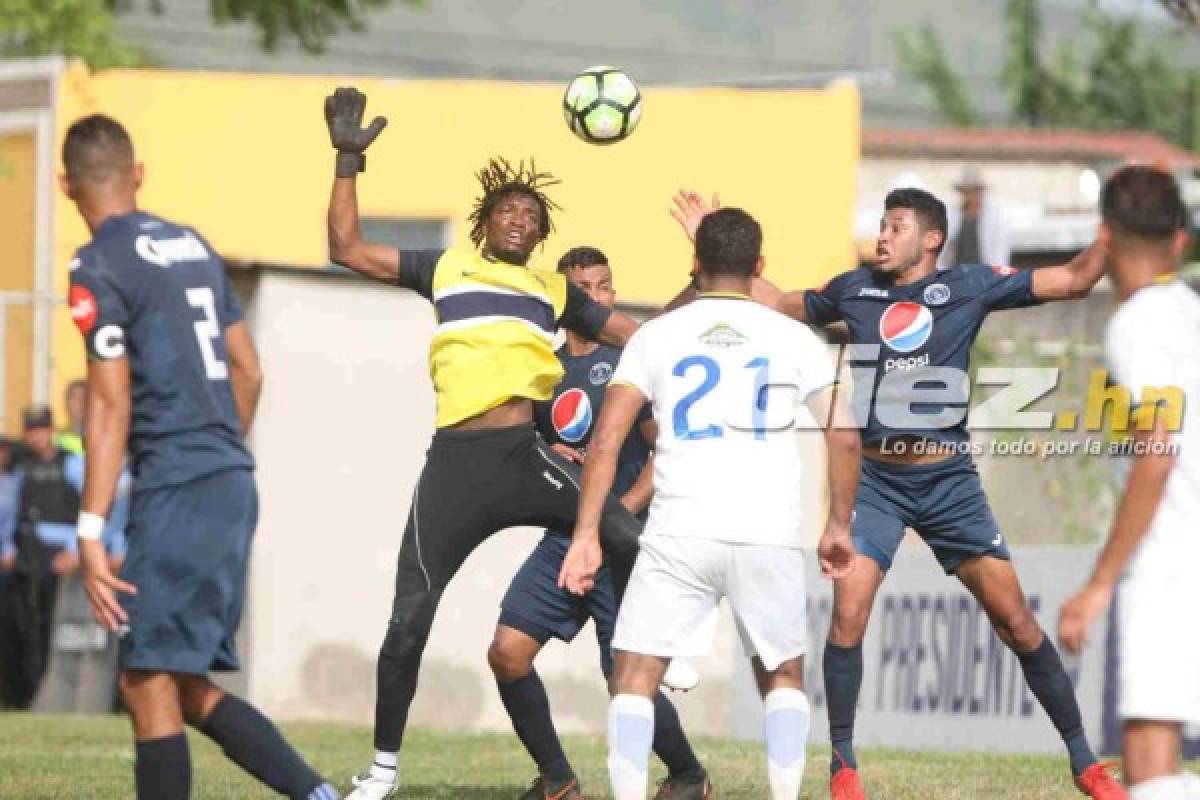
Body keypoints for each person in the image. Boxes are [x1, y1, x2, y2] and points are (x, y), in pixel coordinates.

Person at [667, 189, 1124, 800]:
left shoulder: (969, 284)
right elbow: (773, 301)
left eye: (895, 226)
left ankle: (1084, 762)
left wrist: (1112, 231)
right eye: (881, 224)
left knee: (1016, 624)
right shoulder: (854, 288)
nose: (881, 235)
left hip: (949, 485)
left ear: (930, 239)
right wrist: (709, 244)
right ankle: (844, 765)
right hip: (876, 485)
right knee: (847, 618)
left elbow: (1073, 280)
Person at [322, 87, 644, 800]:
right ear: (486, 222)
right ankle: (381, 771)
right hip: (455, 469)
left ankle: (669, 647)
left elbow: (641, 335)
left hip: (524, 459)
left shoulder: (551, 293)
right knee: (409, 620)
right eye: (510, 211)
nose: (521, 220)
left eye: (533, 217)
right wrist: (348, 160)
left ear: (540, 237)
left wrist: (714, 297)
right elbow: (344, 248)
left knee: (625, 533)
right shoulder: (444, 268)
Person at [61, 113, 339, 800]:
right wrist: (216, 456)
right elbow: (250, 372)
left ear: (67, 185)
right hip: (227, 480)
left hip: (179, 486)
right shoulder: (191, 245)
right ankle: (320, 795)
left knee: (146, 678)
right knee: (181, 686)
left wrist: (92, 528)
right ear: (139, 174)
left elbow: (108, 405)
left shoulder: (95, 264)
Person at [560, 208, 860, 800]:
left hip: (679, 530)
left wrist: (586, 533)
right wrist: (837, 526)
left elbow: (605, 441)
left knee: (636, 675)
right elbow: (844, 435)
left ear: (694, 265)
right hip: (767, 531)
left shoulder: (655, 336)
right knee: (782, 675)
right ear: (760, 268)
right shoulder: (795, 338)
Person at [489, 246, 709, 800]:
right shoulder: (545, 371)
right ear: (563, 300)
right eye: (583, 288)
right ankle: (558, 779)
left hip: (625, 545)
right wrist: (545, 451)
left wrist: (621, 514)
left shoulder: (633, 364)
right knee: (508, 653)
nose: (597, 296)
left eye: (605, 286)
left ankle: (688, 777)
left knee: (625, 683)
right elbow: (527, 448)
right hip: (564, 540)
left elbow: (669, 451)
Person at [1059, 166, 1200, 800]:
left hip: (1170, 558)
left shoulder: (1135, 325)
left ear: (1105, 236)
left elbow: (1156, 453)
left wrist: (1100, 582)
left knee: (1149, 765)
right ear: (1180, 240)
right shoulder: (1190, 314)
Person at [0, 407, 80, 708]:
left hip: (60, 557)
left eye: (42, 430)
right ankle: (27, 693)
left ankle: (47, 692)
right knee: (26, 627)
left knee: (52, 626)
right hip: (27, 557)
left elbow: (89, 504)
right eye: (31, 431)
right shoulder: (22, 466)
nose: (37, 437)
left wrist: (75, 548)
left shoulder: (70, 463)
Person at [936, 165, 1011, 270]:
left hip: (983, 275)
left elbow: (999, 252)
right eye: (967, 192)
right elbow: (943, 250)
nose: (970, 196)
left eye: (973, 191)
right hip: (956, 273)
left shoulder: (994, 218)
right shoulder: (952, 215)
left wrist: (996, 278)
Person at [55, 378, 88, 456]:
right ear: (66, 404)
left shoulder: (102, 438)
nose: (81, 402)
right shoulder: (56, 440)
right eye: (75, 398)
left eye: (85, 397)